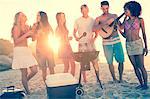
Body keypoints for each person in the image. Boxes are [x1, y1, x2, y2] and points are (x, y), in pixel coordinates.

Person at [92, 1, 124, 83]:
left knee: (121, 60)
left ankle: (120, 78)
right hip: (106, 42)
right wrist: (105, 23)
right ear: (101, 8)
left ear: (108, 7)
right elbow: (94, 29)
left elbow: (121, 27)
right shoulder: (98, 18)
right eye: (103, 8)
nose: (105, 10)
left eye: (106, 8)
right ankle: (114, 78)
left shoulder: (114, 16)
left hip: (116, 39)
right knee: (110, 62)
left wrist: (121, 22)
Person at [119, 1, 148, 89]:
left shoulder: (140, 20)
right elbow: (125, 35)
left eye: (126, 9)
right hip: (129, 45)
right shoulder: (126, 22)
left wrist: (146, 47)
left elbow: (143, 33)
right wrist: (119, 30)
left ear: (132, 9)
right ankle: (141, 83)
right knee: (135, 66)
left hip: (138, 44)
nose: (124, 11)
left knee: (141, 66)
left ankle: (145, 85)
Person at [11, 12, 38, 94]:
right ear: (18, 18)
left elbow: (33, 39)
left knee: (34, 70)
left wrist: (33, 30)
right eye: (22, 15)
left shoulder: (27, 26)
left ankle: (25, 81)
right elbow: (16, 41)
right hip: (19, 50)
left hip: (26, 50)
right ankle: (28, 91)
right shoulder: (15, 27)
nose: (25, 15)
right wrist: (27, 34)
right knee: (24, 72)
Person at [73, 4, 100, 83]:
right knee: (83, 62)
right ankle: (84, 80)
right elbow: (74, 32)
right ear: (81, 11)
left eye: (86, 10)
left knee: (95, 61)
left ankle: (98, 78)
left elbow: (96, 31)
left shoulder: (92, 20)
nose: (84, 11)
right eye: (83, 10)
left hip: (90, 44)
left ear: (88, 10)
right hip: (82, 44)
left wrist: (94, 38)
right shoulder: (77, 20)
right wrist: (76, 37)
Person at [32, 11, 55, 81]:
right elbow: (33, 39)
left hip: (48, 47)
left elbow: (53, 34)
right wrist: (36, 34)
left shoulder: (47, 25)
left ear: (43, 17)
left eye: (39, 15)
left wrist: (45, 33)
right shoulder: (35, 25)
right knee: (44, 69)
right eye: (37, 15)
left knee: (51, 68)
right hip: (40, 49)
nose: (37, 17)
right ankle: (47, 84)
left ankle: (53, 83)